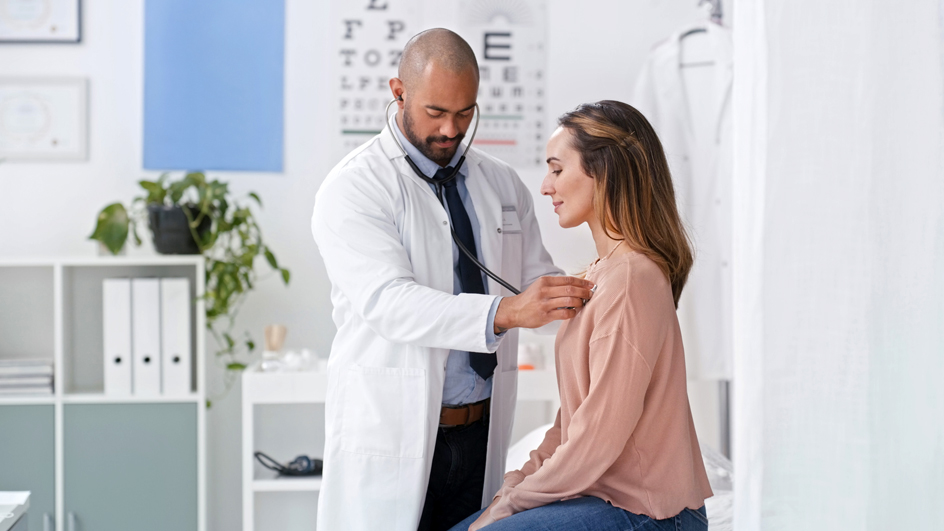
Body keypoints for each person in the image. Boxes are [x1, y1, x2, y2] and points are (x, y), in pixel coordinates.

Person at [311, 29, 595, 531]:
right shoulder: (354, 187)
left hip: (480, 432)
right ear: (398, 92)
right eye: (435, 112)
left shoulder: (502, 183)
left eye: (465, 113)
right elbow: (388, 301)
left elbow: (536, 281)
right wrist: (505, 313)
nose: (450, 128)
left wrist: (606, 286)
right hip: (394, 435)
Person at [453, 100, 714, 531]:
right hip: (605, 501)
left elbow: (597, 437)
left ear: (604, 173)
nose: (544, 186)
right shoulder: (601, 276)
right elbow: (574, 422)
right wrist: (515, 484)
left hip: (648, 514)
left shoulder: (632, 279)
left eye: (557, 169)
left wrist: (515, 503)